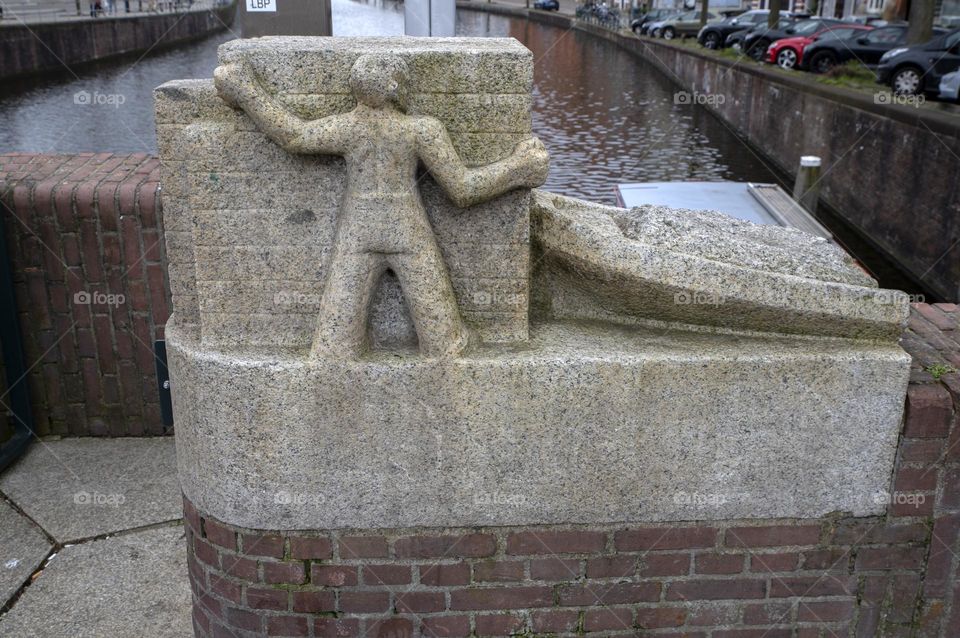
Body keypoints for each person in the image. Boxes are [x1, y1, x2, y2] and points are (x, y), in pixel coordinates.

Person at [215, 55, 549, 359]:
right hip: (408, 233)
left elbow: (295, 136)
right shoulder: (420, 130)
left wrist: (247, 91)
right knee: (444, 344)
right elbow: (462, 188)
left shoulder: (347, 127)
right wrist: (517, 168)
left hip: (358, 234)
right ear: (394, 89)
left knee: (334, 347)